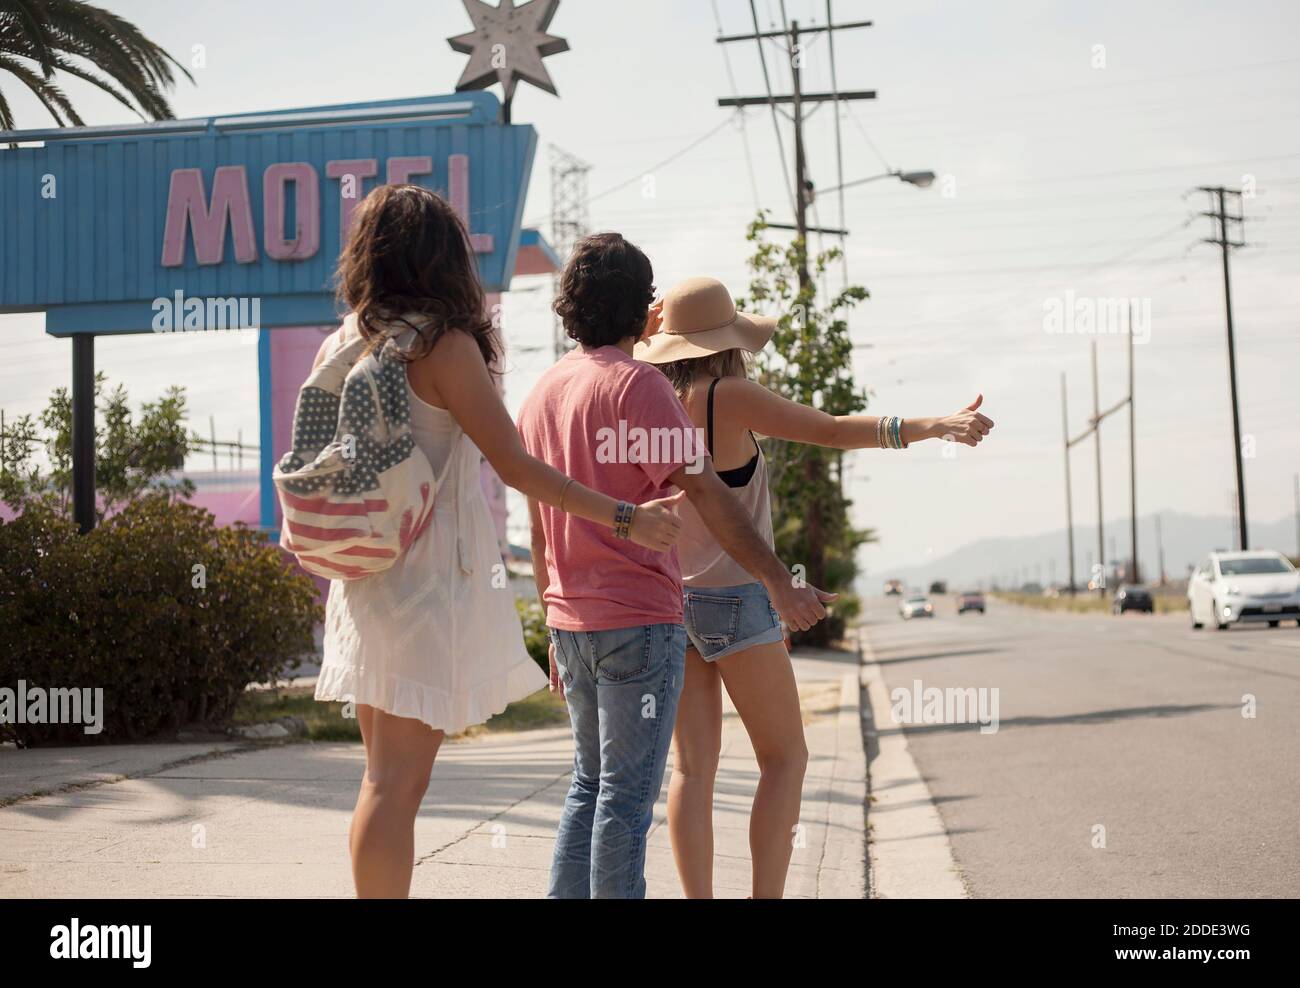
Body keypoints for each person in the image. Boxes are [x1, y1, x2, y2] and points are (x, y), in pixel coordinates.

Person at [311, 186, 683, 899]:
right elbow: (516, 466)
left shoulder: (347, 338)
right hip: (422, 582)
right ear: (442, 258)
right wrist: (625, 518)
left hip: (361, 576)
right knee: (399, 786)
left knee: (380, 780)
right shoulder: (441, 346)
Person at [636, 276, 994, 899]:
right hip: (738, 599)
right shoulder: (729, 394)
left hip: (671, 601)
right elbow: (830, 429)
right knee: (785, 759)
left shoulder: (650, 401)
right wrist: (935, 425)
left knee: (692, 770)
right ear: (728, 341)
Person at [518, 235, 833, 899]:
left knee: (589, 787)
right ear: (643, 310)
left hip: (571, 621)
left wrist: (550, 621)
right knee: (626, 802)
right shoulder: (638, 387)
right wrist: (780, 582)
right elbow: (710, 496)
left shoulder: (542, 391)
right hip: (638, 619)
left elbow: (538, 521)